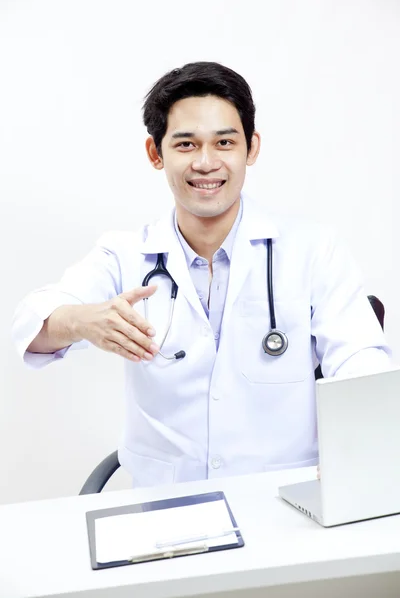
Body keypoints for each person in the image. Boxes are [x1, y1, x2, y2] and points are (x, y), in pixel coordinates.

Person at [12, 61, 392, 487]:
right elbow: (32, 326)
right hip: (164, 509)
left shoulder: (313, 250)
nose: (206, 163)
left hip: (288, 500)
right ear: (156, 154)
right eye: (186, 145)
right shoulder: (124, 255)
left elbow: (361, 362)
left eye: (224, 142)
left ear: (251, 148)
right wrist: (82, 321)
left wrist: (359, 452)